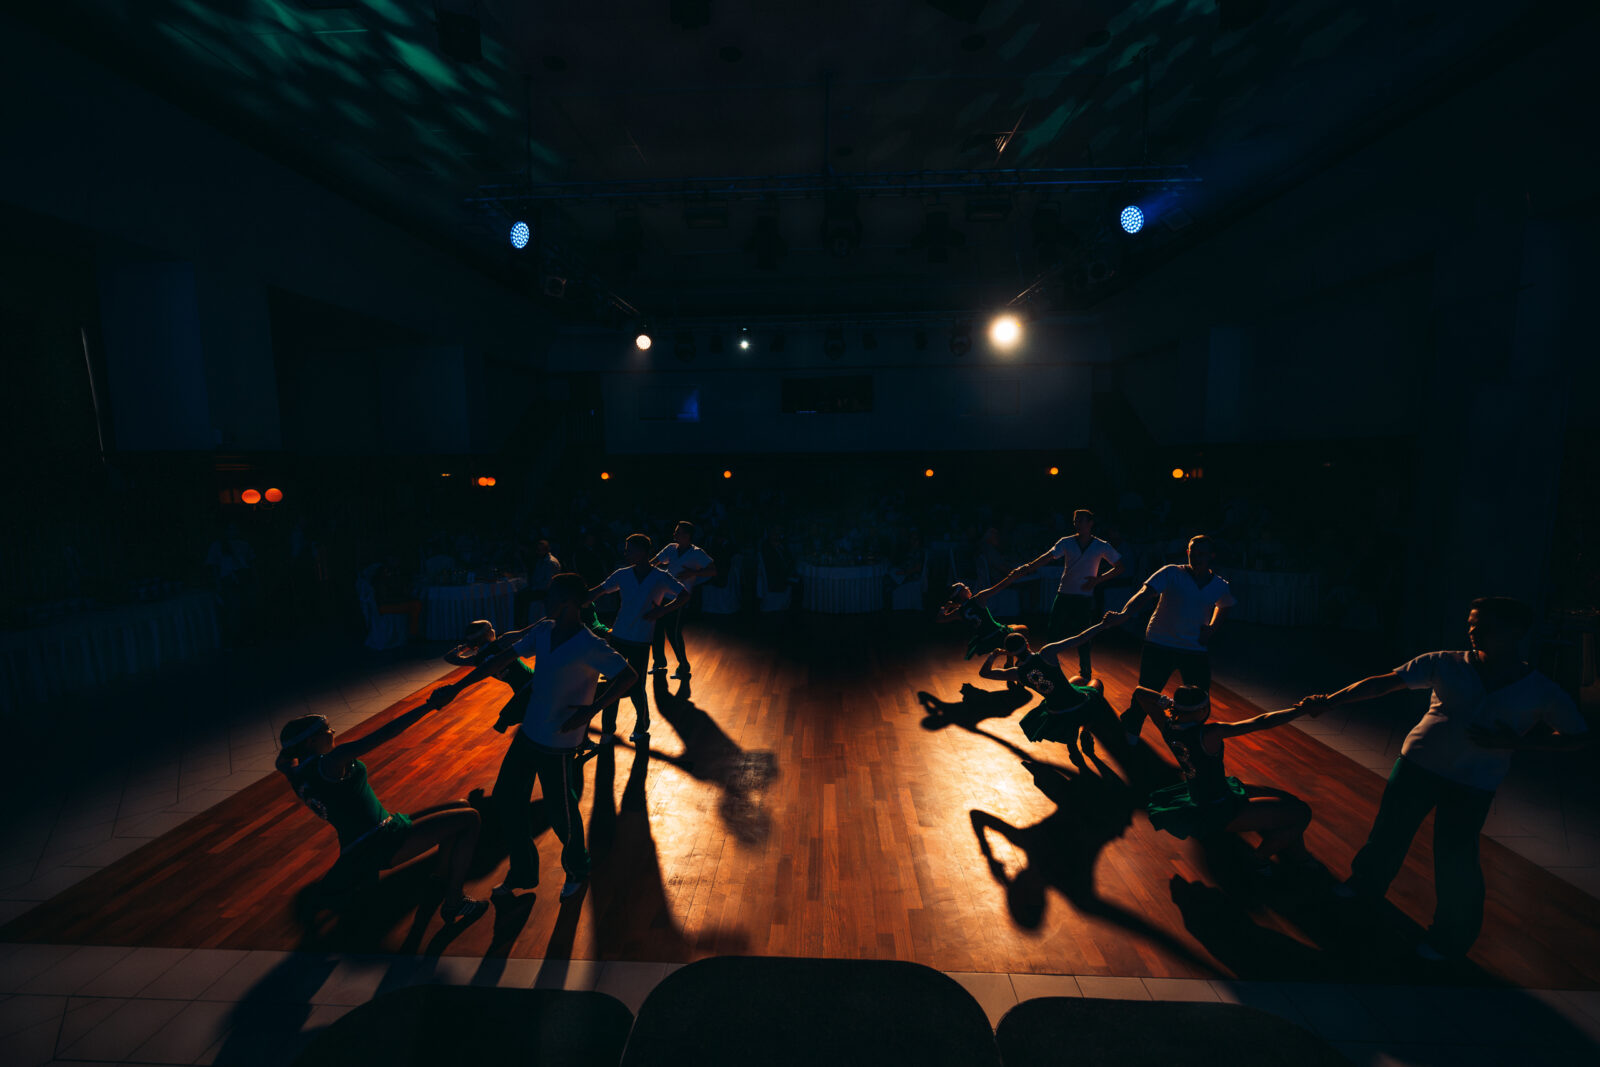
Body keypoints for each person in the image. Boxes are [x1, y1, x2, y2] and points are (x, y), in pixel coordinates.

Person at [1301, 597, 1590, 960]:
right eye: (1471, 623)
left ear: (1516, 632)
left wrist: (1516, 742)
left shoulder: (1541, 690)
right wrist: (1330, 700)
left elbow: (1577, 738)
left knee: (1456, 857)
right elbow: (1382, 684)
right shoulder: (1445, 662)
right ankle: (1364, 886)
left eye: (1485, 626)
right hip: (1417, 764)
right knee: (1389, 833)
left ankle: (1450, 937)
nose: (1473, 631)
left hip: (1473, 782)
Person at [430, 573, 638, 900]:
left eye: (551, 595)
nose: (545, 600)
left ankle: (578, 869)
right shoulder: (544, 630)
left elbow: (628, 676)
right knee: (507, 801)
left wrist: (590, 711)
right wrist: (456, 688)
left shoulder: (589, 645)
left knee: (561, 813)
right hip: (528, 734)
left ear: (567, 602)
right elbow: (501, 659)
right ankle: (523, 871)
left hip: (558, 744)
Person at [275, 704, 487, 924]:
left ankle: (440, 878)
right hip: (381, 841)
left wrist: (294, 745)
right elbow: (386, 732)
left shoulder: (295, 773)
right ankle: (454, 901)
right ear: (311, 741)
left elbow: (282, 759)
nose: (333, 732)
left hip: (366, 838)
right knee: (470, 818)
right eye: (327, 730)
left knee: (460, 805)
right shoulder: (331, 762)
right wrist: (430, 705)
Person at [1128, 684, 1323, 876]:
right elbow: (1262, 722)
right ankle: (1259, 859)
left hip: (1208, 795)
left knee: (1289, 803)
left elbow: (1139, 692)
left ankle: (1299, 855)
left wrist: (1170, 703)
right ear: (1203, 709)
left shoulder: (1167, 726)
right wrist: (1301, 709)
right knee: (1302, 812)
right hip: (1218, 807)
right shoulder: (1209, 733)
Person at [1102, 534, 1236, 745]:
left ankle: (1193, 738)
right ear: (1187, 553)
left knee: (1201, 698)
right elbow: (1144, 594)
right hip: (1160, 642)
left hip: (1194, 647)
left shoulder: (1219, 585)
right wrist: (1124, 615)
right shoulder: (1171, 572)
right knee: (1148, 690)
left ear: (1211, 556)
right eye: (1193, 553)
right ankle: (1131, 726)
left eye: (1202, 554)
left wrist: (1211, 629)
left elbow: (1225, 605)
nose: (1197, 558)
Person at [979, 627, 1129, 770]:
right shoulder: (1046, 653)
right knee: (1096, 685)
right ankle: (1085, 732)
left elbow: (984, 673)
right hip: (1077, 703)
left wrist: (994, 655)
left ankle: (1072, 744)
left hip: (1056, 711)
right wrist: (1104, 624)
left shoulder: (1016, 673)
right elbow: (1081, 637)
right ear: (1027, 644)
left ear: (1011, 654)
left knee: (1077, 680)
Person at [589, 534, 686, 744]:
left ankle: (641, 727)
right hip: (618, 637)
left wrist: (662, 611)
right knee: (612, 684)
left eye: (629, 549)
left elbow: (684, 594)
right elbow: (597, 592)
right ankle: (608, 731)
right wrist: (573, 599)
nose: (626, 553)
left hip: (641, 640)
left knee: (636, 686)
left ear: (643, 552)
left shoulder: (660, 576)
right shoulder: (622, 574)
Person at [1018, 509, 1124, 681]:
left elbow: (1120, 567)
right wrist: (1029, 567)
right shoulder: (1066, 542)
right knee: (1053, 633)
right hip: (1064, 594)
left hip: (1084, 598)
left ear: (1091, 523)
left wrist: (1097, 580)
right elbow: (1048, 556)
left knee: (1084, 636)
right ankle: (1047, 666)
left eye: (1081, 520)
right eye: (1076, 521)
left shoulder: (1101, 545)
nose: (1078, 524)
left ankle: (1086, 673)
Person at [936, 568, 1029, 686]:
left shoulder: (959, 612)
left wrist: (947, 606)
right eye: (964, 587)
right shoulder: (979, 598)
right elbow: (1000, 586)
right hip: (996, 634)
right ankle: (1018, 662)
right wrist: (1013, 576)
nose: (967, 587)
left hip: (984, 639)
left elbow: (940, 619)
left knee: (1011, 628)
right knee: (1023, 629)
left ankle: (1009, 662)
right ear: (961, 594)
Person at [650, 520, 717, 679]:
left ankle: (684, 666)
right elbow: (654, 562)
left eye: (678, 532)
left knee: (673, 632)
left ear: (687, 536)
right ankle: (659, 663)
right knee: (656, 629)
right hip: (662, 595)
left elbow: (713, 571)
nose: (675, 534)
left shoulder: (697, 553)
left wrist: (693, 573)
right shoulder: (671, 548)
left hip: (680, 598)